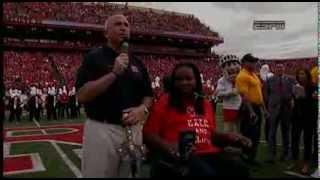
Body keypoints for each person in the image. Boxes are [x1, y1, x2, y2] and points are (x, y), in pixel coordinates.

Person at [76, 14, 153, 178]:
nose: (123, 27)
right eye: (118, 24)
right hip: (102, 129)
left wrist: (143, 109)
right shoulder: (94, 57)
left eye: (126, 24)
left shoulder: (138, 62)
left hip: (133, 130)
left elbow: (148, 95)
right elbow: (82, 95)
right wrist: (113, 73)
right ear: (106, 33)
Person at [143, 63, 251, 177]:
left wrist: (229, 137)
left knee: (240, 169)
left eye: (188, 79)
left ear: (196, 81)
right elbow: (148, 134)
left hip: (209, 153)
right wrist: (168, 146)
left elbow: (211, 134)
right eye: (179, 79)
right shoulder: (165, 102)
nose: (184, 82)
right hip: (181, 156)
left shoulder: (205, 104)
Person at [235, 53, 268, 166]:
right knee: (248, 134)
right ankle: (245, 157)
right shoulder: (242, 75)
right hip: (248, 109)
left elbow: (259, 94)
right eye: (251, 62)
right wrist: (251, 112)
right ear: (244, 63)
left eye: (254, 62)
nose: (254, 64)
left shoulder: (253, 74)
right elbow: (244, 96)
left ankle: (251, 157)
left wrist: (264, 109)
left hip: (256, 107)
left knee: (256, 134)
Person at [263, 63, 295, 163]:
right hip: (273, 110)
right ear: (274, 69)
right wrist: (269, 106)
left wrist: (292, 100)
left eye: (281, 67)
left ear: (284, 68)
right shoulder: (270, 80)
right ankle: (271, 155)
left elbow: (294, 93)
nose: (279, 69)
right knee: (271, 133)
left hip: (286, 110)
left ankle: (285, 154)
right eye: (278, 67)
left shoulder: (290, 79)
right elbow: (266, 94)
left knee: (286, 133)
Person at [290, 68, 317, 175]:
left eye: (303, 74)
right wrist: (292, 100)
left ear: (307, 75)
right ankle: (295, 160)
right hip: (296, 116)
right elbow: (294, 97)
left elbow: (315, 97)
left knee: (307, 140)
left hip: (309, 117)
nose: (301, 76)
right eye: (299, 74)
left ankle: (306, 163)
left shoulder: (313, 86)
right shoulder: (296, 86)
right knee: (295, 138)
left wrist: (313, 96)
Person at [215, 54, 242, 133]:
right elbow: (218, 93)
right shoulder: (222, 80)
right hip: (229, 107)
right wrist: (229, 93)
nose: (232, 67)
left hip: (241, 106)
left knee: (239, 128)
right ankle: (228, 144)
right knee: (228, 129)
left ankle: (238, 143)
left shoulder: (241, 79)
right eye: (229, 65)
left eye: (235, 64)